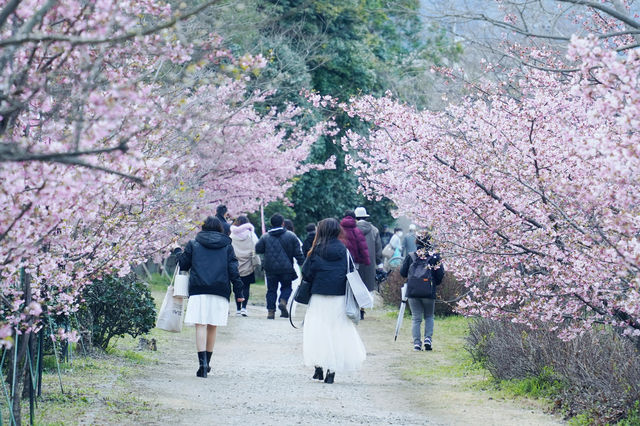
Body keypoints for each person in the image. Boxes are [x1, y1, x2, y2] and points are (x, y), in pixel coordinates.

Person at [176, 217, 244, 378]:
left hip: (199, 289)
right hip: (220, 289)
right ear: (220, 229)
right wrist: (239, 292)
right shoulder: (227, 246)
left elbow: (184, 264)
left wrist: (178, 251)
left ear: (203, 228)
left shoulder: (194, 244)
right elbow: (234, 270)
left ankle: (202, 364)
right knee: (213, 325)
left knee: (200, 325)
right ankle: (209, 363)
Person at [301, 218, 366, 384]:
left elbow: (307, 274)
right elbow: (350, 273)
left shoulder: (315, 251)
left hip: (318, 297)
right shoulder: (344, 251)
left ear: (320, 231)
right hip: (339, 297)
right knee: (337, 331)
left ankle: (319, 367)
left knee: (317, 331)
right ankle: (331, 371)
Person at [399, 231, 445, 352]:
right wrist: (434, 284)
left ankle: (416, 344)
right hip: (428, 291)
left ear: (416, 242)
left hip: (413, 291)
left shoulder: (411, 256)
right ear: (430, 242)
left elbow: (403, 273)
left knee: (416, 318)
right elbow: (440, 274)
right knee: (429, 316)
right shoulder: (435, 256)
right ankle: (428, 339)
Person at [255, 213, 305, 319]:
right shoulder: (291, 236)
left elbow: (258, 249)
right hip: (286, 268)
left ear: (271, 223)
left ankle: (271, 312)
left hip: (270, 268)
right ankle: (283, 301)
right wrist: (302, 264)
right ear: (283, 223)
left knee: (271, 290)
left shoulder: (265, 236)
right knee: (286, 287)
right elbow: (298, 253)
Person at [354, 207, 382, 320]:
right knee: (367, 286)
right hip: (369, 263)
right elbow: (378, 249)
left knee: (355, 285)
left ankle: (355, 308)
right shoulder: (374, 230)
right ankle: (362, 310)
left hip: (355, 262)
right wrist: (379, 263)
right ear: (366, 217)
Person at [230, 216, 260, 317]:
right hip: (247, 264)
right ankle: (244, 308)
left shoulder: (232, 235)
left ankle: (238, 309)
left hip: (235, 264)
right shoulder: (251, 234)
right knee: (246, 287)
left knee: (237, 287)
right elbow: (256, 245)